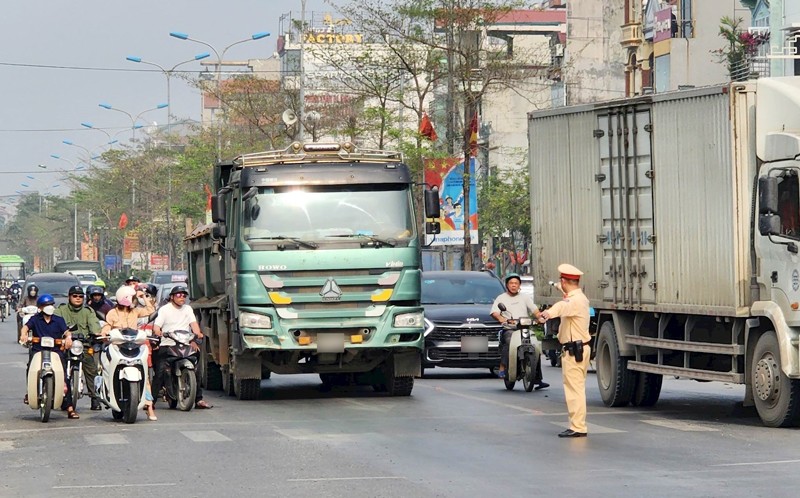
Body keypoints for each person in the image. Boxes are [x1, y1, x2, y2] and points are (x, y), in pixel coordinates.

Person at [540, 264, 591, 438]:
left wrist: (546, 313)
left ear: (564, 281)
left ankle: (578, 427)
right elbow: (563, 295)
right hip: (579, 348)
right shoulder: (579, 296)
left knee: (574, 390)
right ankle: (577, 425)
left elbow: (561, 306)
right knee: (576, 388)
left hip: (574, 350)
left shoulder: (573, 301)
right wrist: (557, 285)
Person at [101, 286, 157, 421]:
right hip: (117, 346)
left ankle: (149, 407)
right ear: (125, 299)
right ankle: (108, 391)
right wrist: (104, 332)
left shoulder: (135, 311)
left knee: (144, 376)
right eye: (132, 298)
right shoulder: (112, 313)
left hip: (134, 346)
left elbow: (150, 310)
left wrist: (143, 296)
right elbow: (107, 326)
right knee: (107, 367)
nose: (135, 300)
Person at [19, 294, 79, 419]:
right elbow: (25, 327)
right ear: (40, 307)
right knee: (30, 369)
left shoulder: (59, 320)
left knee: (64, 376)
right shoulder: (35, 319)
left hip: (56, 351)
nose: (49, 307)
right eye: (46, 305)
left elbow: (66, 332)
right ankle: (29, 393)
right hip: (38, 350)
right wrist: (23, 335)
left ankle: (69, 408)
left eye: (51, 304)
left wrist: (68, 338)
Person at [152, 285, 212, 409]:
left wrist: (197, 336)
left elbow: (194, 326)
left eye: (184, 295)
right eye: (178, 295)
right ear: (172, 297)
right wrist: (159, 332)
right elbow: (157, 327)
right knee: (160, 373)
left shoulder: (188, 309)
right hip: (168, 343)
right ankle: (151, 402)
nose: (182, 298)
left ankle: (198, 399)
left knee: (196, 368)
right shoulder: (164, 310)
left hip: (185, 343)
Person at [490, 273, 548, 390]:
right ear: (507, 285)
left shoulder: (525, 297)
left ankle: (537, 378)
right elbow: (494, 312)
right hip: (510, 329)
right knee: (508, 341)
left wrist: (540, 317)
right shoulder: (501, 298)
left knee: (535, 347)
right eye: (511, 283)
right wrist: (502, 319)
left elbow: (535, 310)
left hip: (524, 328)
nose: (513, 285)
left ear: (519, 285)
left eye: (516, 283)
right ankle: (503, 366)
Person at [55, 285, 102, 411]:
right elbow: (54, 323)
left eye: (80, 296)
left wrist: (97, 333)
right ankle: (59, 396)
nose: (78, 298)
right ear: (69, 297)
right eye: (75, 296)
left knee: (92, 370)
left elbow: (95, 326)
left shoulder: (88, 311)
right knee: (58, 368)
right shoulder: (61, 310)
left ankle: (95, 398)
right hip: (65, 345)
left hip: (83, 345)